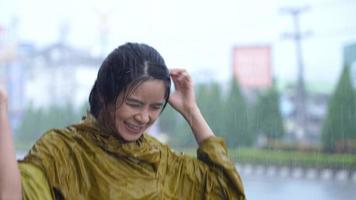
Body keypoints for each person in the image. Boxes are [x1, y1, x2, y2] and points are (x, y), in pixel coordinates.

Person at [0, 43, 246, 200]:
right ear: (105, 95)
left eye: (155, 108)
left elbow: (226, 191)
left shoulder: (159, 160)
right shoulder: (61, 151)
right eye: (134, 104)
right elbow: (12, 195)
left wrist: (191, 112)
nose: (144, 117)